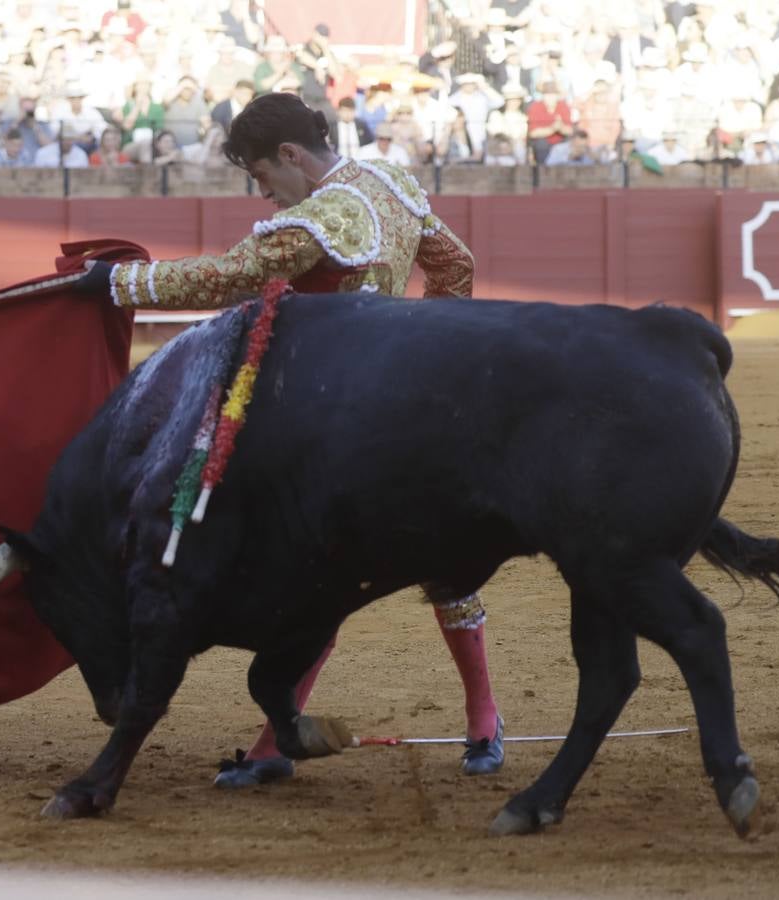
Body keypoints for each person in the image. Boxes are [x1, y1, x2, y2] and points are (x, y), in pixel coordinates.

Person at [75, 92, 504, 786]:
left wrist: (118, 283)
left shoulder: (323, 215)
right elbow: (456, 264)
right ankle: (482, 725)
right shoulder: (388, 178)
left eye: (260, 175)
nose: (262, 192)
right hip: (399, 406)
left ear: (291, 156)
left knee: (316, 572)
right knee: (441, 563)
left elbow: (232, 275)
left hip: (322, 417)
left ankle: (279, 745)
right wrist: (426, 352)